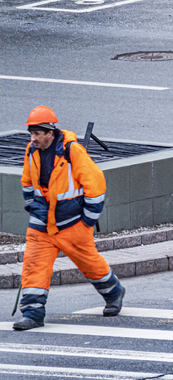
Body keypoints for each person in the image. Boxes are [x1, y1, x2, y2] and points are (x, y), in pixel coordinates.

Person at [13, 106, 125, 331]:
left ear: (50, 132)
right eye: (31, 133)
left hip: (72, 223)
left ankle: (113, 292)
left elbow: (96, 185)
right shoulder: (30, 151)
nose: (32, 138)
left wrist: (88, 222)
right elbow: (27, 181)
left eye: (37, 133)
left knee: (89, 263)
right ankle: (33, 314)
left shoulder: (72, 152)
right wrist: (32, 207)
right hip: (42, 225)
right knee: (34, 266)